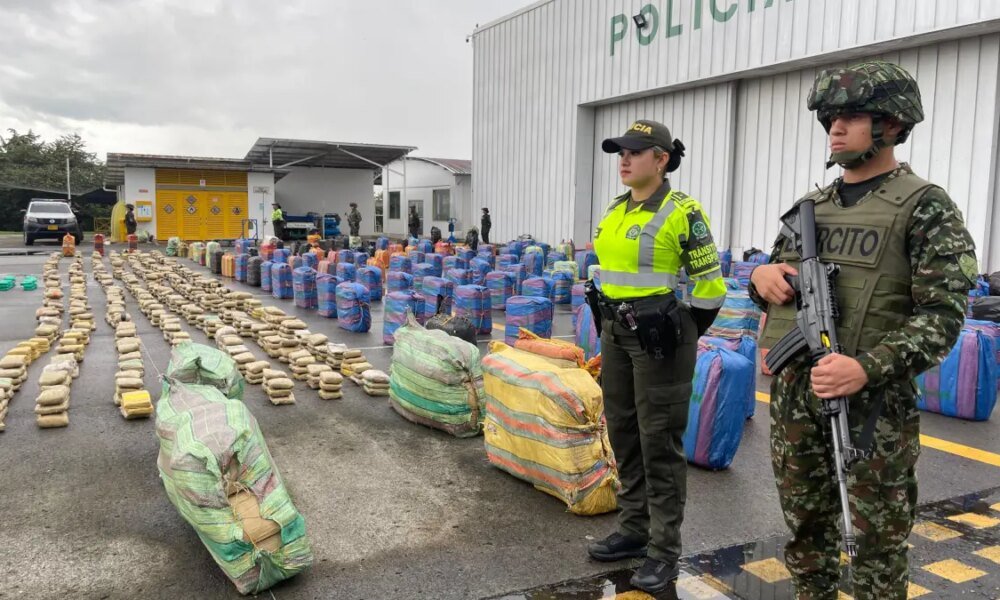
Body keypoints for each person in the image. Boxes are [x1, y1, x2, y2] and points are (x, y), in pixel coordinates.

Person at [751, 61, 977, 600]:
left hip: (872, 404)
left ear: (893, 125)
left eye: (852, 116)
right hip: (797, 396)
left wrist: (866, 368)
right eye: (831, 117)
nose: (835, 127)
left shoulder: (925, 206)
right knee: (806, 531)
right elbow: (778, 282)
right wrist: (761, 278)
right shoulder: (810, 209)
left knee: (876, 544)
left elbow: (944, 317)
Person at [586, 119, 726, 594]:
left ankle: (664, 550)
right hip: (614, 330)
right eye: (620, 152)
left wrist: (680, 334)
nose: (623, 160)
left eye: (635, 152)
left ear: (661, 159)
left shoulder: (682, 211)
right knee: (624, 431)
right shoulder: (617, 206)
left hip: (658, 337)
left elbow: (710, 289)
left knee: (659, 442)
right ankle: (634, 529)